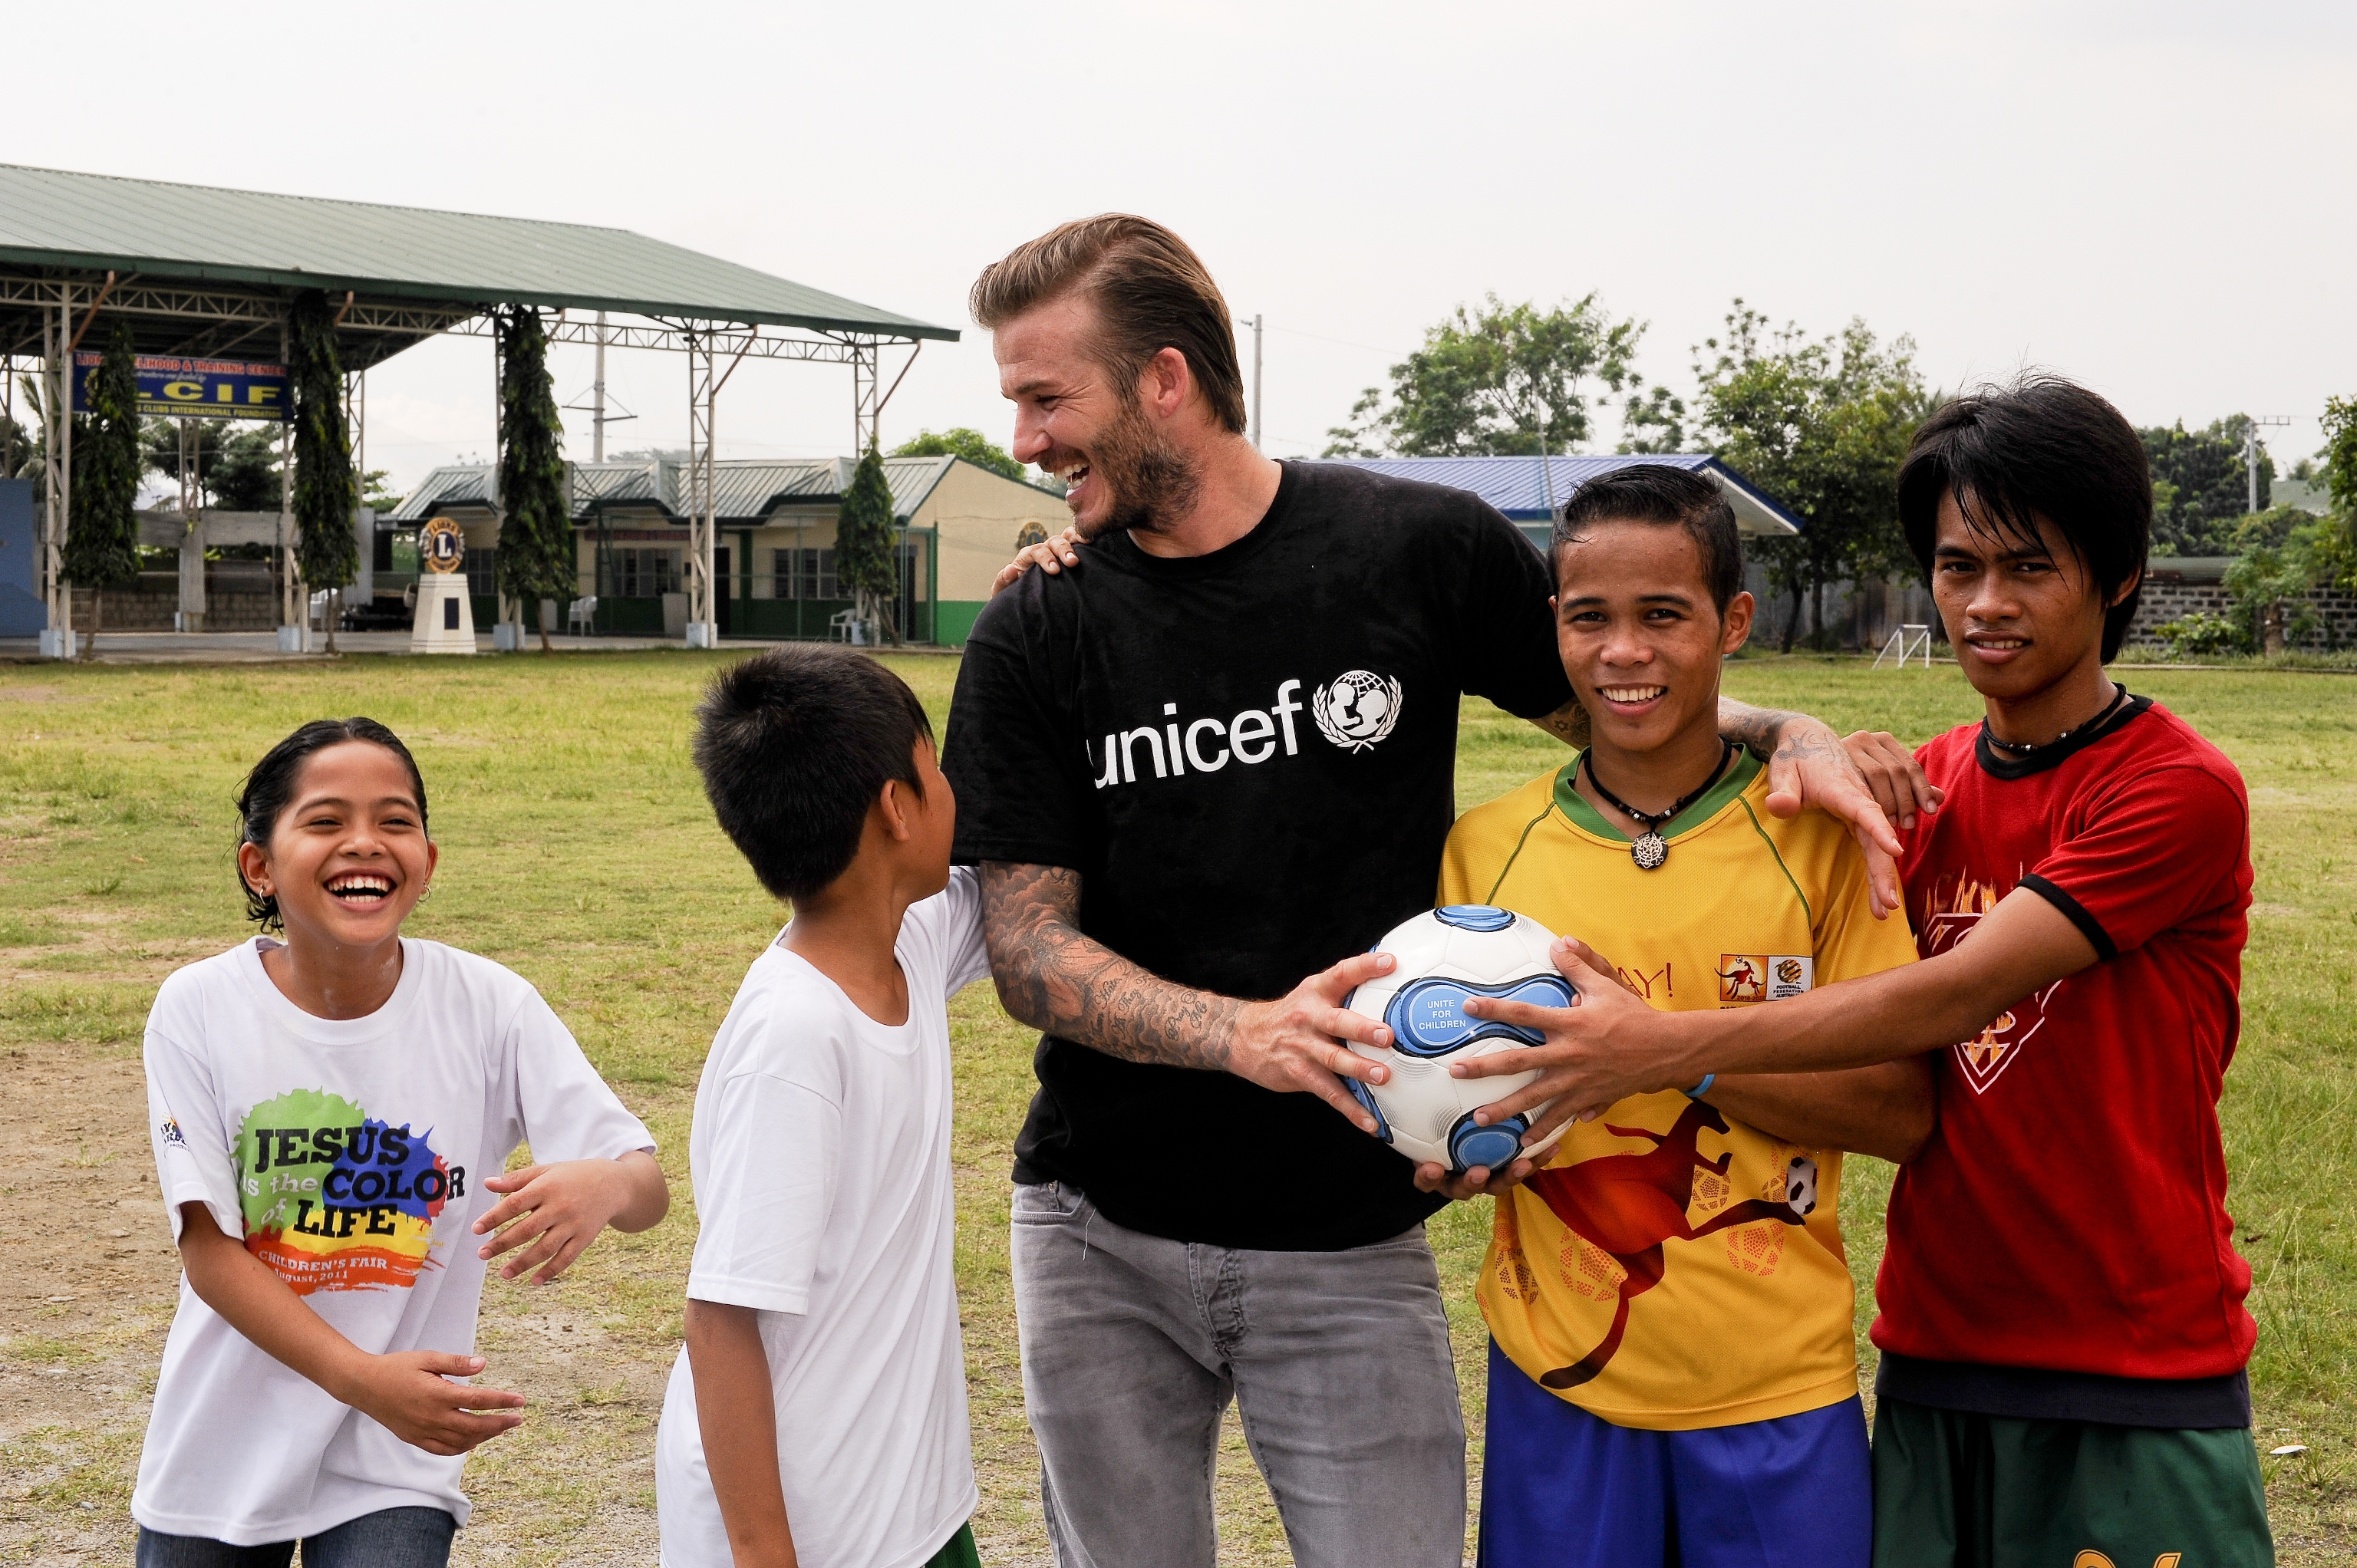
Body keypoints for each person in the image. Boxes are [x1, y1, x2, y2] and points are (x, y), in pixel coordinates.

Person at [944, 212, 1933, 1567]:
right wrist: (1244, 1031)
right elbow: (1023, 945)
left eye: (1046, 398)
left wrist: (1791, 731)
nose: (1027, 439)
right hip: (1097, 1233)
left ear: (1163, 381)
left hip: (1350, 1234)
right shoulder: (1038, 622)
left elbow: (1623, 680)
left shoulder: (1413, 547)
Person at [1453, 377, 2272, 1564]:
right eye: (1956, 568)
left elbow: (1947, 1000)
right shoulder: (1913, 791)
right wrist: (1805, 732)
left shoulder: (2173, 789)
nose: (1985, 604)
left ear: (2122, 575)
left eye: (2029, 568)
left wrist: (1659, 1047)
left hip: (2133, 1356)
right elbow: (1662, 691)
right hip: (1938, 1347)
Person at [1426, 464, 1930, 1567]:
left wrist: (1662, 1056)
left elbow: (1900, 1111)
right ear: (1554, 627)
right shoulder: (1485, 850)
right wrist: (1453, 1152)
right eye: (1589, 618)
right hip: (1560, 1375)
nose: (1624, 653)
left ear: (1733, 621)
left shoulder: (1819, 834)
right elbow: (1448, 1086)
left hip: (1775, 1385)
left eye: (1664, 616)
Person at [134, 718, 669, 1566]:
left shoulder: (490, 1005)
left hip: (395, 1461)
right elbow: (211, 1252)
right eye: (324, 821)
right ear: (259, 866)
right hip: (221, 1446)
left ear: (428, 859)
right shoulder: (199, 1008)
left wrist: (605, 1185)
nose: (364, 844)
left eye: (394, 820)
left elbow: (646, 1184)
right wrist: (365, 1381)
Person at [656, 647, 989, 1568]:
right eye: (936, 770)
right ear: (897, 807)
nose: (954, 788)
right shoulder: (796, 1038)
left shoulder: (902, 940)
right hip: (811, 1534)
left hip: (908, 1508)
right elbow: (719, 1323)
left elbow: (1007, 888)